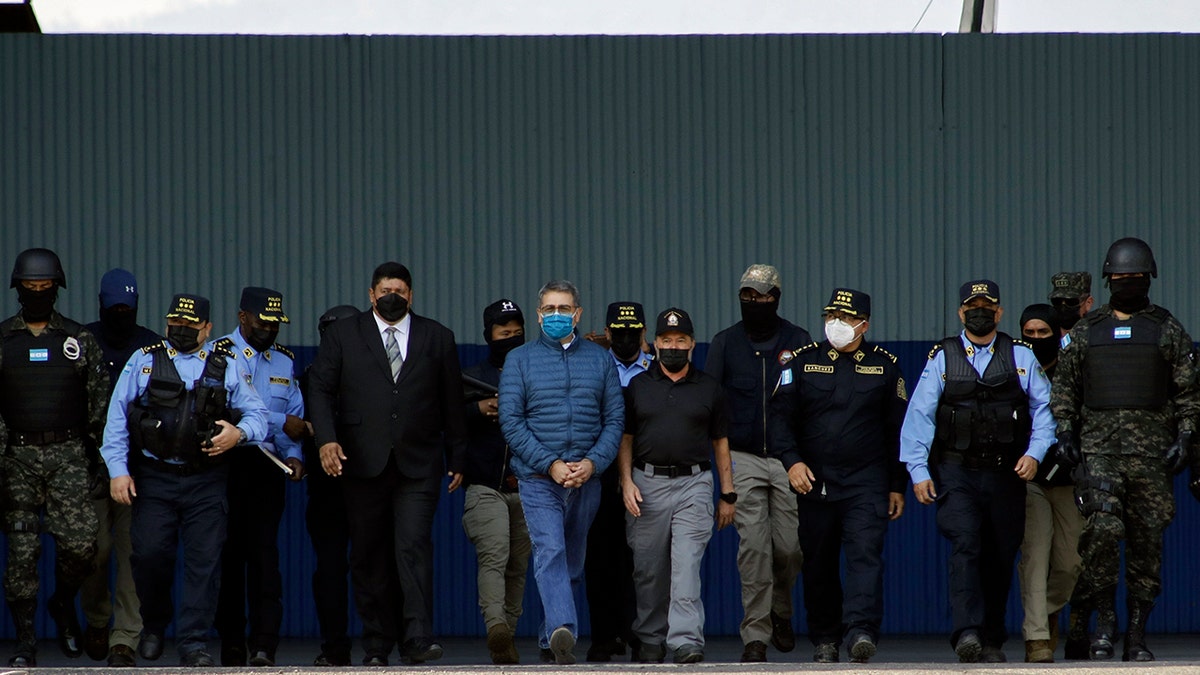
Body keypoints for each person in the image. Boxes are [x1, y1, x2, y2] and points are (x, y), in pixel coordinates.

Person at [307, 262, 467, 666]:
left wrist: (458, 455)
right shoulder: (344, 334)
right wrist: (327, 439)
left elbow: (452, 401)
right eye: (384, 289)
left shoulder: (438, 337)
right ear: (371, 294)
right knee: (368, 553)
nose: (391, 295)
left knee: (412, 547)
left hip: (420, 461)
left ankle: (416, 638)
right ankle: (377, 643)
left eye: (399, 289)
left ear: (410, 295)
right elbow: (320, 389)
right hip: (360, 462)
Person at [100, 293, 269, 667]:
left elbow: (258, 415)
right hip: (155, 477)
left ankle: (193, 642)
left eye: (190, 326)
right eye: (175, 322)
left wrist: (238, 434)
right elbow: (116, 421)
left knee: (204, 563)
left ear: (207, 328)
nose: (180, 330)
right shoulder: (144, 361)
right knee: (148, 554)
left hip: (206, 479)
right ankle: (155, 624)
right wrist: (118, 471)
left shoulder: (226, 365)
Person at [1050, 238, 1199, 662]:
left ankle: (1137, 633)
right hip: (1098, 452)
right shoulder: (1087, 330)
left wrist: (1185, 436)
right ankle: (1104, 623)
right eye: (1121, 278)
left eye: (1134, 278)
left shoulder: (1167, 329)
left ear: (1147, 279)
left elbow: (1188, 391)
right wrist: (1065, 433)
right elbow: (1065, 390)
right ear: (1108, 280)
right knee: (1101, 532)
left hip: (1152, 457)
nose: (1128, 283)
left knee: (1146, 545)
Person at [900, 279, 1055, 663]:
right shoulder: (943, 356)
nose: (980, 311)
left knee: (1001, 554)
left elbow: (1045, 410)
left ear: (1000, 313)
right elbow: (919, 415)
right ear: (961, 312)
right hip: (957, 471)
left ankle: (991, 636)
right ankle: (967, 632)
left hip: (1007, 473)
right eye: (973, 306)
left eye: (987, 306)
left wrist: (1035, 453)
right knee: (966, 544)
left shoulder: (1021, 356)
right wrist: (919, 470)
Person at [768, 288, 908, 664]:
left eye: (846, 318)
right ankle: (825, 638)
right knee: (818, 561)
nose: (838, 324)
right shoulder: (802, 362)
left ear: (864, 323)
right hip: (813, 481)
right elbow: (780, 419)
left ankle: (860, 631)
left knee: (865, 557)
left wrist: (897, 485)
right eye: (833, 316)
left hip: (867, 482)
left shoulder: (885, 366)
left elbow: (898, 430)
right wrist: (792, 462)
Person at [498, 279, 624, 665]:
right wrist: (550, 464)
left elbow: (614, 419)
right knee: (550, 551)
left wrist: (592, 464)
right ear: (538, 315)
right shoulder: (519, 360)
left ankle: (549, 638)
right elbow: (511, 420)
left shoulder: (601, 360)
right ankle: (562, 628)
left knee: (572, 561)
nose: (557, 315)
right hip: (539, 479)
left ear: (578, 314)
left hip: (587, 479)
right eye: (549, 309)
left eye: (564, 309)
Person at [0, 248, 109, 667]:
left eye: (46, 288)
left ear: (57, 290)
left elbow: (99, 399)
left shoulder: (78, 340)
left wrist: (97, 457)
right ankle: (25, 640)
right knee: (21, 555)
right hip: (18, 459)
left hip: (68, 455)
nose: (39, 294)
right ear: (18, 290)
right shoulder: (4, 339)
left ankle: (62, 602)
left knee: (83, 547)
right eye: (31, 288)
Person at [618, 308, 734, 665]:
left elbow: (720, 443)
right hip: (646, 483)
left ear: (692, 344)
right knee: (649, 570)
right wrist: (625, 482)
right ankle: (651, 637)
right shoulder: (638, 386)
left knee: (686, 565)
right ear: (654, 343)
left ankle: (685, 640)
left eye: (680, 340)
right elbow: (625, 439)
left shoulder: (709, 387)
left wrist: (728, 494)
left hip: (694, 484)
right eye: (666, 340)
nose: (673, 346)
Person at [705, 263, 807, 662]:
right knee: (755, 550)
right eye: (748, 295)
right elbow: (712, 411)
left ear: (776, 298)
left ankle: (781, 607)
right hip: (742, 458)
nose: (755, 301)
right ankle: (756, 635)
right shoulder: (725, 342)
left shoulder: (798, 340)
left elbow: (807, 402)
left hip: (788, 459)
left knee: (790, 548)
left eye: (763, 295)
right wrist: (724, 481)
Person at [215, 287, 306, 667]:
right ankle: (232, 642)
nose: (270, 328)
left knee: (265, 558)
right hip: (224, 465)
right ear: (242, 318)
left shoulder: (284, 361)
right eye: (262, 320)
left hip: (268, 467)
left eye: (275, 322)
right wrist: (278, 421)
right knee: (228, 556)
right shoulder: (216, 354)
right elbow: (229, 410)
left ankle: (265, 643)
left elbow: (296, 416)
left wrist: (295, 454)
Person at [81, 268, 161, 667]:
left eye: (126, 308)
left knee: (133, 553)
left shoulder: (151, 347)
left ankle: (124, 637)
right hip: (88, 468)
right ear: (101, 305)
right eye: (114, 308)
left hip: (138, 470)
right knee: (95, 550)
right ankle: (97, 618)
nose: (120, 314)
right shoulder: (82, 341)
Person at [460, 298, 531, 664]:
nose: (512, 339)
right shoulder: (472, 376)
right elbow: (446, 420)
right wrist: (477, 409)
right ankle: (496, 626)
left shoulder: (536, 373)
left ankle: (509, 638)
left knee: (518, 567)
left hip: (529, 487)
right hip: (486, 485)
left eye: (518, 333)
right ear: (489, 336)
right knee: (495, 555)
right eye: (505, 333)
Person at [1015, 301, 1082, 664]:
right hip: (1030, 479)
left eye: (1044, 332)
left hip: (1070, 479)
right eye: (1029, 333)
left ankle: (1051, 608)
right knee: (1035, 558)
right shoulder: (1014, 366)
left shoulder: (1074, 368)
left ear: (1057, 333)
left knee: (1070, 561)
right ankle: (1037, 637)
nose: (1036, 339)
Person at [583, 301, 651, 662]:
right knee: (599, 558)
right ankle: (603, 636)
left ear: (643, 333)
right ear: (607, 334)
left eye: (632, 332)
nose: (626, 338)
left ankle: (637, 633)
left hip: (644, 472)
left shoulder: (657, 369)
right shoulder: (591, 367)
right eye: (618, 333)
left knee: (639, 559)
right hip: (600, 471)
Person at [301, 304, 361, 667]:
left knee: (375, 565)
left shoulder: (377, 374)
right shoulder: (312, 377)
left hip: (369, 484)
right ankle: (335, 645)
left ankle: (380, 645)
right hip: (326, 489)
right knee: (330, 570)